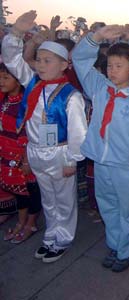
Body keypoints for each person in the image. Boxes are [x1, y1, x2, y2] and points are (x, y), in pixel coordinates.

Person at [2, 10, 87, 262]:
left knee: (63, 199)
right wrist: (16, 34)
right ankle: (51, 234)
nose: (41, 64)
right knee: (48, 198)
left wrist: (73, 159)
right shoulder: (32, 83)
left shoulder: (71, 95)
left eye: (48, 60)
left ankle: (64, 238)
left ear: (63, 65)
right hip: (36, 151)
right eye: (39, 59)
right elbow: (13, 60)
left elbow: (78, 131)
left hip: (60, 153)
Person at [71, 25, 129, 272]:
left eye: (119, 66)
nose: (112, 70)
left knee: (127, 209)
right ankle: (115, 243)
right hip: (101, 160)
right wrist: (95, 38)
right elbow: (79, 60)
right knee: (106, 205)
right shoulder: (99, 87)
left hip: (126, 165)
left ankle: (127, 250)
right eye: (109, 65)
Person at [0, 63, 42, 244]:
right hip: (6, 154)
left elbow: (29, 133)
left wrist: (26, 159)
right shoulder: (5, 100)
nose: (1, 81)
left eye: (5, 78)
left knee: (30, 192)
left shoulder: (26, 103)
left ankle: (30, 224)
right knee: (17, 192)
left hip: (22, 157)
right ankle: (21, 221)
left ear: (18, 81)